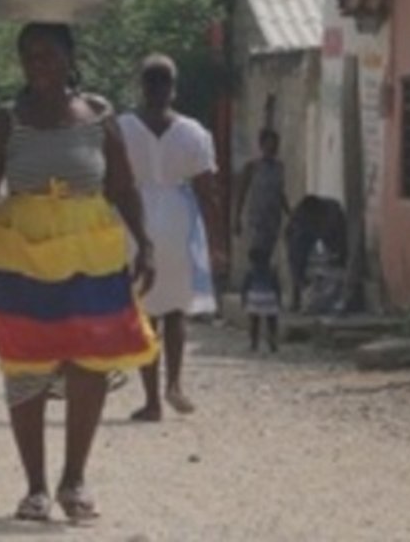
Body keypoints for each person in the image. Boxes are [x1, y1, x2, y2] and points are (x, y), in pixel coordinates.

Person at [0, 22, 157, 524]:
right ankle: (36, 488)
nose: (38, 64)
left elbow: (123, 187)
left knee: (92, 362)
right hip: (22, 256)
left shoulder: (100, 116)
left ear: (69, 57)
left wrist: (144, 242)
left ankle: (74, 480)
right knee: (26, 364)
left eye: (48, 54)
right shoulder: (5, 121)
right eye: (29, 55)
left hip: (92, 255)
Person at [117, 54, 224, 422]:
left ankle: (151, 400)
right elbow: (208, 190)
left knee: (144, 311)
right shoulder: (194, 132)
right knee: (176, 310)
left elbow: (110, 183)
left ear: (142, 86)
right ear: (173, 88)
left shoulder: (121, 128)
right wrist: (217, 239)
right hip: (179, 220)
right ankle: (174, 383)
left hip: (134, 221)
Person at [235, 128, 290, 263]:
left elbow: (280, 193)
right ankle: (256, 281)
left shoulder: (279, 167)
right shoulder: (252, 167)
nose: (272, 148)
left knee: (268, 253)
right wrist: (237, 218)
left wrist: (290, 213)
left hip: (273, 219)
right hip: (257, 220)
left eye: (275, 144)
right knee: (256, 253)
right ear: (262, 145)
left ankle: (263, 280)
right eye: (268, 144)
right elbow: (242, 192)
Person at [243, 247, 282, 352]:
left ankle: (254, 344)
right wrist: (279, 301)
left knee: (254, 322)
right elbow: (277, 286)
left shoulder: (250, 271)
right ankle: (273, 342)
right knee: (272, 321)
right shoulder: (272, 270)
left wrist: (244, 300)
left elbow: (245, 287)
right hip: (269, 296)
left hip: (255, 296)